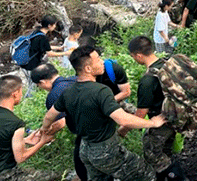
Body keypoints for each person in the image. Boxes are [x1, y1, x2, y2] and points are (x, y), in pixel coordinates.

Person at [42, 47, 165, 181]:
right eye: (98, 60)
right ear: (88, 69)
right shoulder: (101, 91)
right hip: (105, 151)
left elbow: (49, 115)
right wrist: (153, 123)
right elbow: (123, 120)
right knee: (146, 173)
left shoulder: (68, 92)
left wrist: (45, 129)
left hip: (85, 149)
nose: (102, 62)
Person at [118, 36, 187, 181]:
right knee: (165, 150)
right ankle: (167, 175)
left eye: (133, 56)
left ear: (138, 55)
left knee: (152, 154)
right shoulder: (168, 63)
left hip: (161, 120)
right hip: (178, 114)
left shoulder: (148, 80)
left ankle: (177, 177)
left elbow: (141, 113)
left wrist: (124, 129)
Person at [31, 64, 86, 180]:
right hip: (103, 124)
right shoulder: (76, 79)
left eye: (39, 86)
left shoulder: (54, 95)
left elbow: (61, 122)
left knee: (81, 165)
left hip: (86, 133)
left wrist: (44, 135)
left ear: (42, 82)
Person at [0, 75, 60, 181]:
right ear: (15, 94)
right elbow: (21, 157)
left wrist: (25, 140)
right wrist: (42, 141)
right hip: (6, 174)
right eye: (21, 91)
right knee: (54, 176)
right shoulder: (15, 123)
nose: (22, 94)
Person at [19, 15, 70, 96]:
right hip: (31, 65)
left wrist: (59, 48)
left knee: (32, 84)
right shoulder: (43, 37)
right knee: (33, 86)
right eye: (54, 25)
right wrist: (65, 53)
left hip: (25, 62)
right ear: (49, 25)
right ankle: (27, 103)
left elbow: (43, 47)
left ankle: (30, 100)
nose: (55, 27)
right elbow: (49, 53)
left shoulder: (37, 32)